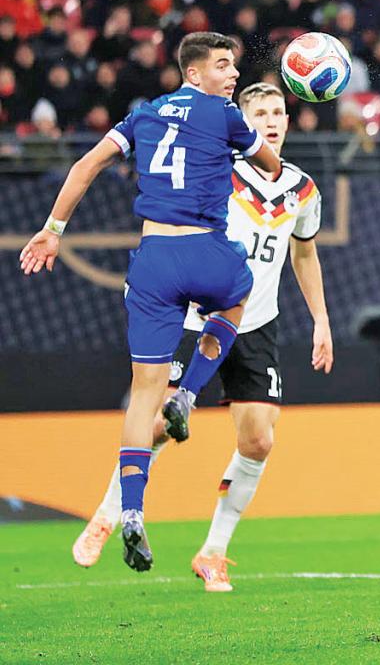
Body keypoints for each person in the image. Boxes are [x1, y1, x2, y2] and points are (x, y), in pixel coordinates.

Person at [20, 32, 281, 572]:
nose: (233, 75)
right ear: (194, 73)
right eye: (223, 66)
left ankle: (132, 511)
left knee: (142, 396)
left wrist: (52, 230)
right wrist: (252, 139)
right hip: (205, 251)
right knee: (239, 294)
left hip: (154, 262)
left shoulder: (143, 115)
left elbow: (85, 166)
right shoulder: (226, 115)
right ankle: (189, 394)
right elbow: (270, 166)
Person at [70, 82, 334, 591]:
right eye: (260, 113)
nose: (271, 121)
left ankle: (213, 552)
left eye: (278, 112)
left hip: (256, 323)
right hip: (197, 316)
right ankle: (108, 514)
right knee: (159, 425)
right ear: (242, 123)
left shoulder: (303, 189)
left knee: (259, 439)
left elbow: (304, 254)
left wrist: (320, 319)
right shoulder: (217, 172)